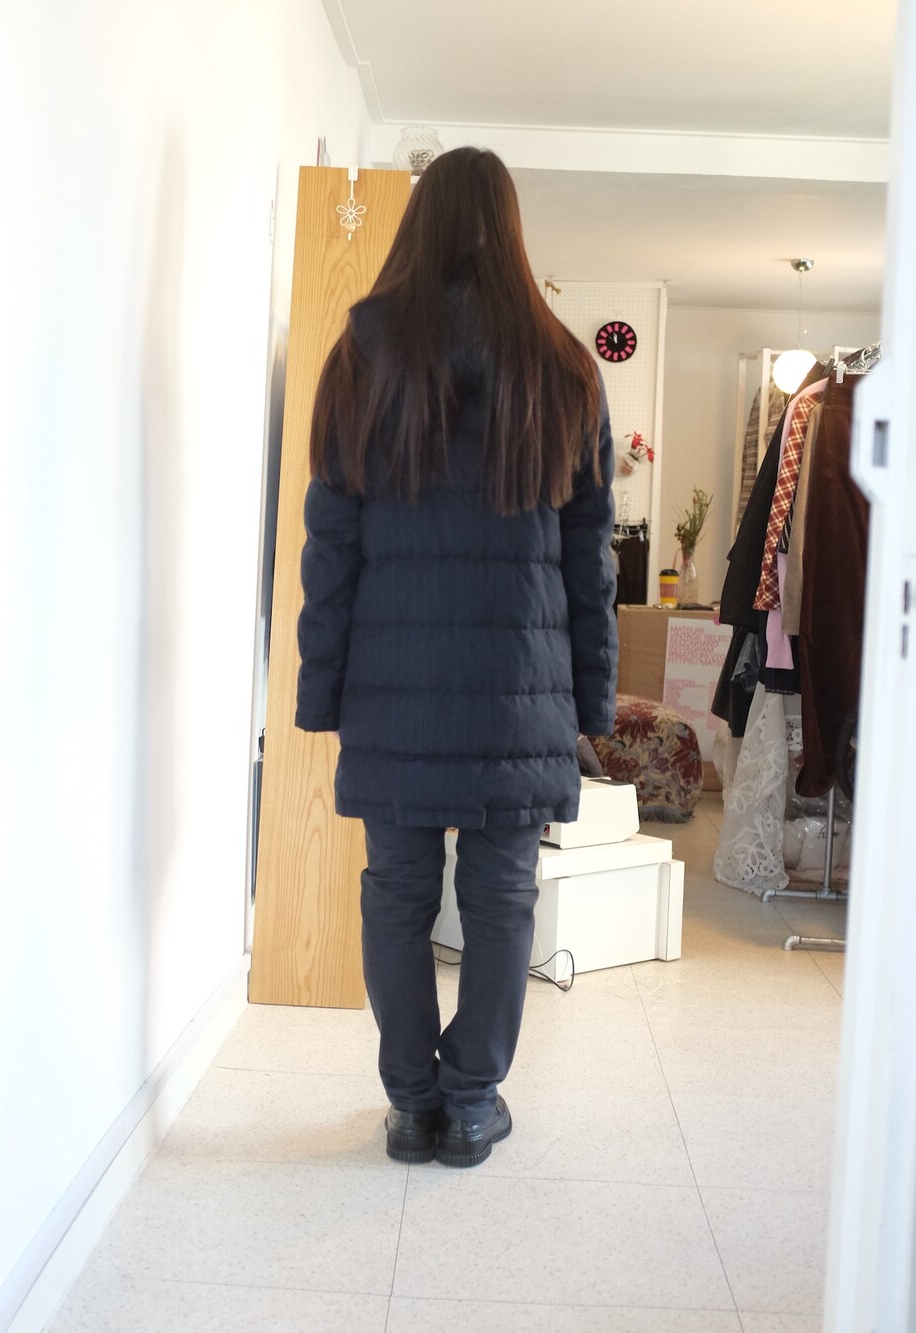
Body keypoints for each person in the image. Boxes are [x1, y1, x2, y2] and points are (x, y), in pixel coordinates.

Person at [295, 146, 618, 1168]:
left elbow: (330, 547)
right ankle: (472, 1104)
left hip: (391, 693)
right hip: (518, 694)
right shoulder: (565, 368)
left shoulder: (362, 357)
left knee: (395, 891)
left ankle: (410, 1105)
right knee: (501, 895)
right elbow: (591, 564)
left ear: (417, 224)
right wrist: (593, 700)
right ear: (510, 231)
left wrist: (321, 689)